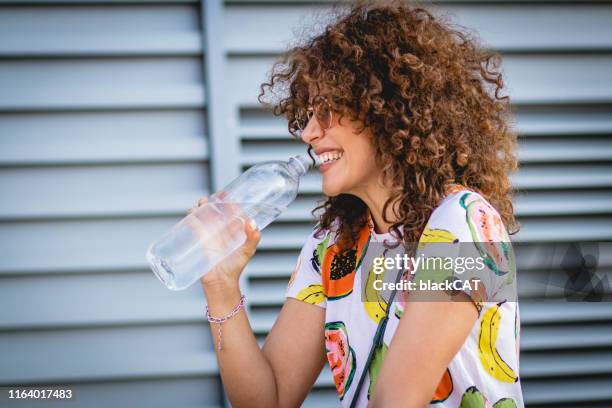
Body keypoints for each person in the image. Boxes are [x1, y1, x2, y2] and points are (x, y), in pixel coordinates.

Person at [193, 1, 524, 406]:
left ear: (387, 109)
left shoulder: (464, 223)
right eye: (308, 113)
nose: (310, 132)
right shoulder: (333, 245)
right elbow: (269, 400)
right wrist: (221, 286)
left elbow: (395, 400)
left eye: (329, 110)